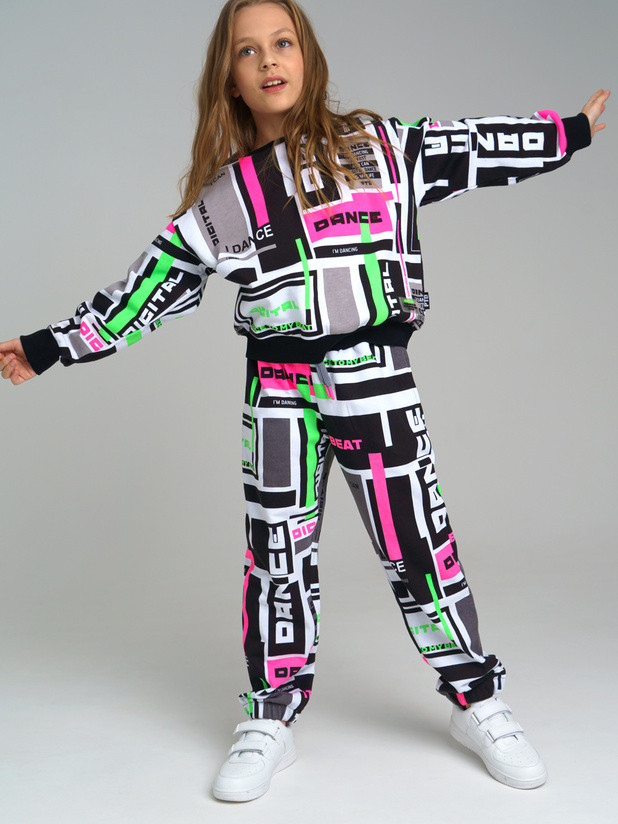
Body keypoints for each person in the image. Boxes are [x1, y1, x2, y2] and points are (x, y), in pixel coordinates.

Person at [0, 0, 609, 804]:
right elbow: (147, 289)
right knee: (276, 556)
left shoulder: (381, 148)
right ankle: (270, 717)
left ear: (307, 55)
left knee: (420, 546)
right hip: (279, 393)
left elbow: (469, 146)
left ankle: (479, 701)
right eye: (248, 51)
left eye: (282, 42)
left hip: (375, 378)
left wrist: (568, 133)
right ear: (230, 78)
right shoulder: (226, 200)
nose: (269, 61)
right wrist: (48, 346)